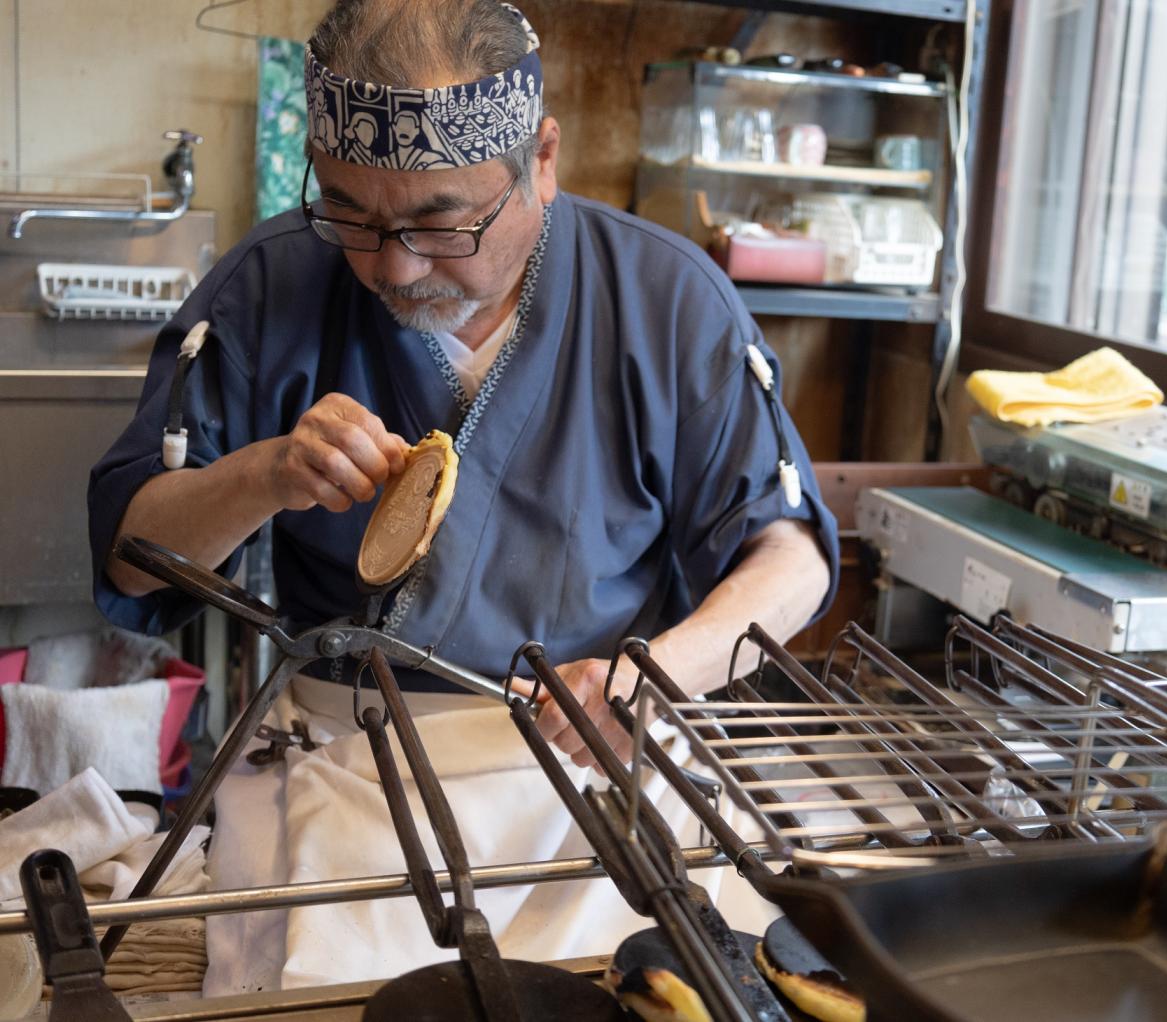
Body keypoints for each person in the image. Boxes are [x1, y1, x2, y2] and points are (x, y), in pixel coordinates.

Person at [87, 0, 836, 994]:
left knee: (698, 981)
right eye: (350, 214)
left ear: (542, 161)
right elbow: (131, 552)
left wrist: (654, 672)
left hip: (604, 757)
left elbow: (789, 556)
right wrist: (261, 476)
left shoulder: (666, 300)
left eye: (439, 223)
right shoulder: (270, 287)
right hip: (353, 768)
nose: (394, 267)